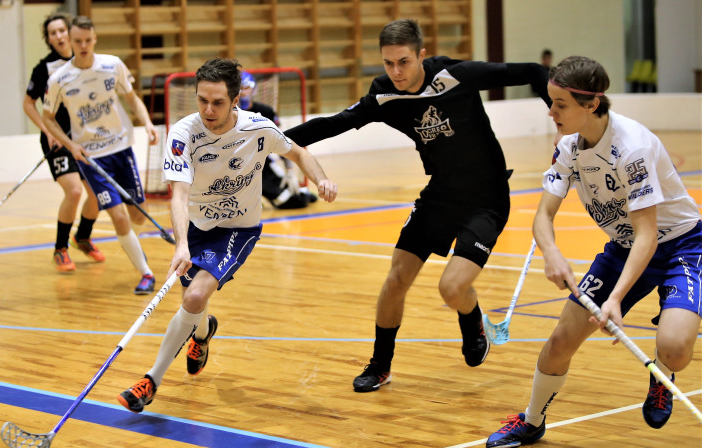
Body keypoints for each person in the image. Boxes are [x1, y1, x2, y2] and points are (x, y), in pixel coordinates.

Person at [283, 19, 552, 393]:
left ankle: (471, 319)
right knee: (395, 279)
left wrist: (562, 123)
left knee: (452, 288)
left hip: (486, 198)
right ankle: (380, 365)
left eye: (404, 62)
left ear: (421, 55)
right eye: (388, 63)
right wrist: (268, 141)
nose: (396, 72)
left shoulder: (456, 75)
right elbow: (332, 124)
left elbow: (535, 72)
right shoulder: (384, 95)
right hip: (440, 194)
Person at [486, 56, 701, 447]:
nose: (550, 112)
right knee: (561, 340)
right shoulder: (568, 147)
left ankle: (663, 376)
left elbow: (648, 235)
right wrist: (551, 252)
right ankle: (532, 421)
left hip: (680, 247)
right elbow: (542, 216)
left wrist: (616, 298)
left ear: (591, 105)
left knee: (674, 347)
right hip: (623, 249)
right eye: (549, 102)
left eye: (559, 104)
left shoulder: (632, 149)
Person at [116, 57, 338, 413]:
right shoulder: (184, 133)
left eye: (217, 102)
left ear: (235, 99)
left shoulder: (258, 128)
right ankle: (203, 333)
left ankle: (150, 381)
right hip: (196, 227)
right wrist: (183, 244)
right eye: (202, 100)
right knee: (194, 300)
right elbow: (180, 195)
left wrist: (321, 178)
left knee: (193, 297)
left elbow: (297, 151)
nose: (208, 109)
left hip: (237, 228)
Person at [42, 16, 160, 295]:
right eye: (77, 41)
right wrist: (71, 146)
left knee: (137, 216)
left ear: (95, 39)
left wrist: (148, 122)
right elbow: (48, 119)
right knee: (118, 216)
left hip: (121, 148)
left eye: (87, 40)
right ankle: (146, 272)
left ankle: (135, 249)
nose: (82, 46)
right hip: (92, 157)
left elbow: (131, 98)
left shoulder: (112, 65)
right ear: (70, 42)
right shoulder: (59, 79)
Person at [23, 12, 105, 272]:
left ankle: (82, 237)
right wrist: (46, 130)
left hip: (85, 140)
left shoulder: (84, 63)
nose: (59, 36)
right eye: (53, 33)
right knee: (74, 191)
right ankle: (60, 249)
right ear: (48, 39)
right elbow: (28, 104)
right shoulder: (44, 68)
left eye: (62, 31)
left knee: (97, 195)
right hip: (57, 140)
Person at [239, 71, 317, 209]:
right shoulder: (227, 113)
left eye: (246, 88)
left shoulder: (266, 111)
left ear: (254, 89)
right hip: (237, 169)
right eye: (238, 88)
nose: (243, 92)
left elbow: (282, 140)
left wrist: (290, 171)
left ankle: (300, 191)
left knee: (299, 199)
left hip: (263, 166)